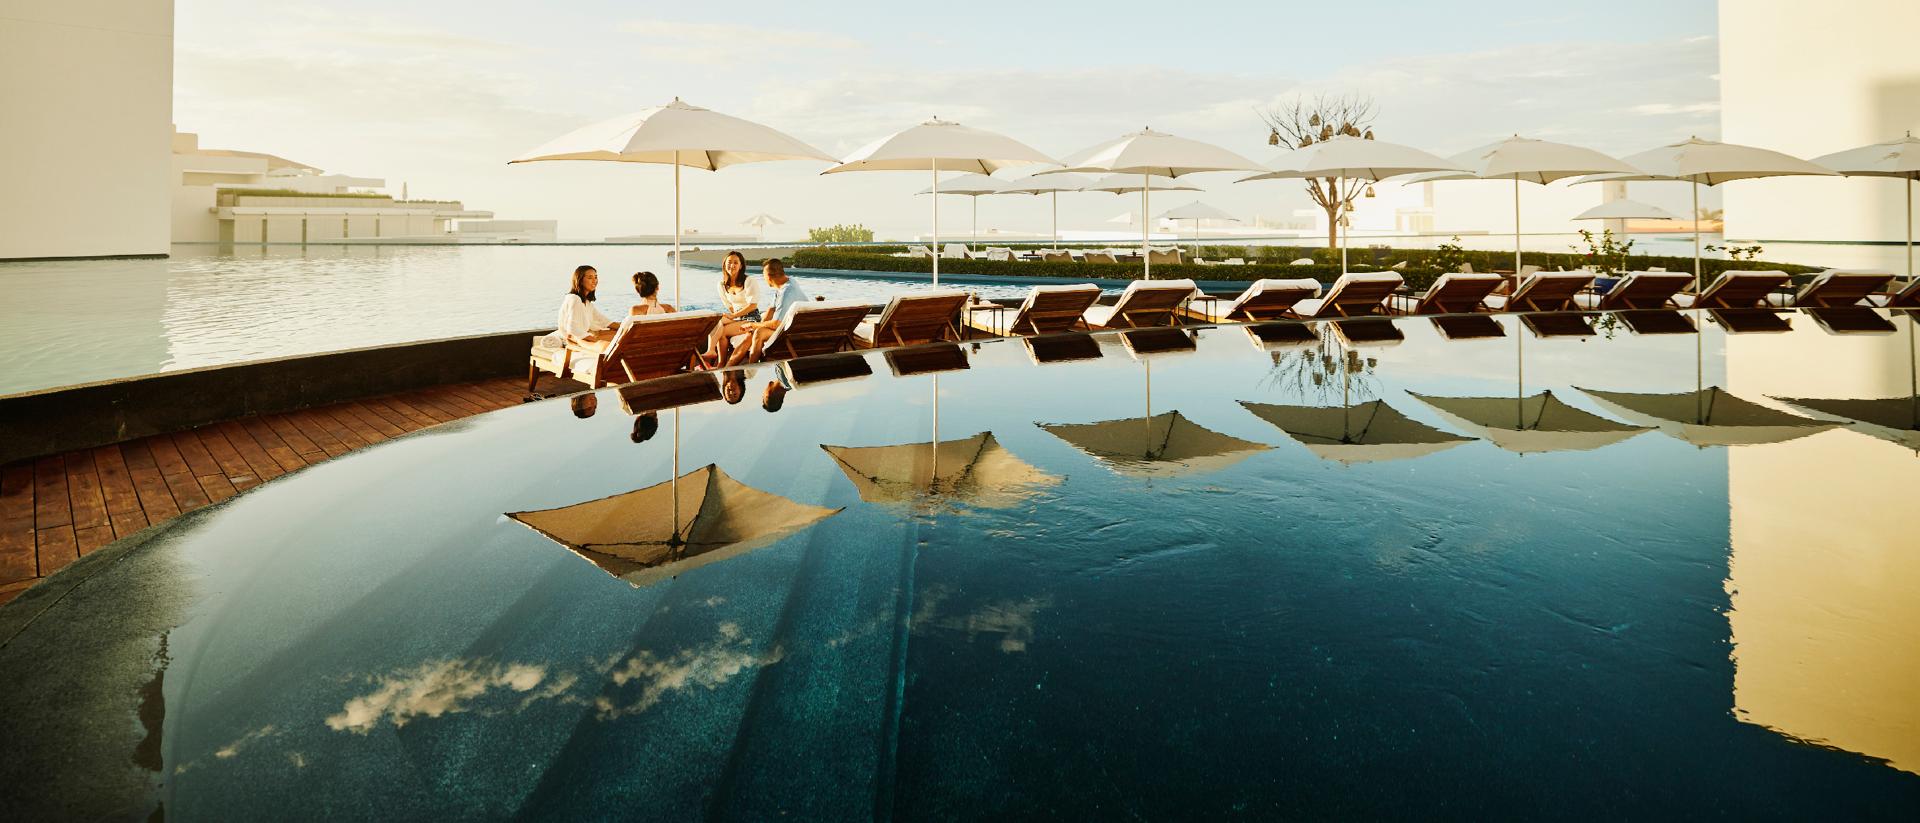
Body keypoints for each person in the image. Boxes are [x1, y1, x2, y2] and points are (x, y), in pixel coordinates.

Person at [726, 258, 808, 366]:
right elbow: (771, 309)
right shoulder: (789, 282)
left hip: (792, 334)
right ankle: (733, 367)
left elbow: (776, 324)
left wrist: (753, 324)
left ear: (768, 277)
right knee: (755, 331)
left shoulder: (786, 293)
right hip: (798, 328)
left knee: (759, 333)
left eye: (763, 275)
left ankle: (752, 369)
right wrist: (755, 326)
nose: (763, 278)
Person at [555, 265, 618, 377]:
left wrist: (628, 326)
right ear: (580, 280)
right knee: (606, 345)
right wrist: (594, 338)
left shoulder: (586, 302)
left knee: (618, 336)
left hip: (583, 337)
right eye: (590, 277)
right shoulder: (574, 299)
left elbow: (603, 321)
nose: (595, 281)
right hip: (575, 340)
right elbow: (572, 330)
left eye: (596, 277)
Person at [708, 251, 759, 364]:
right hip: (736, 317)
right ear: (724, 265)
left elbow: (753, 305)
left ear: (741, 266)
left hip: (751, 318)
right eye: (729, 262)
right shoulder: (721, 285)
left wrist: (734, 315)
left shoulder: (749, 281)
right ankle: (714, 354)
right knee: (717, 322)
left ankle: (718, 360)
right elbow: (730, 306)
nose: (732, 265)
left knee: (722, 332)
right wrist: (733, 316)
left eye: (736, 262)